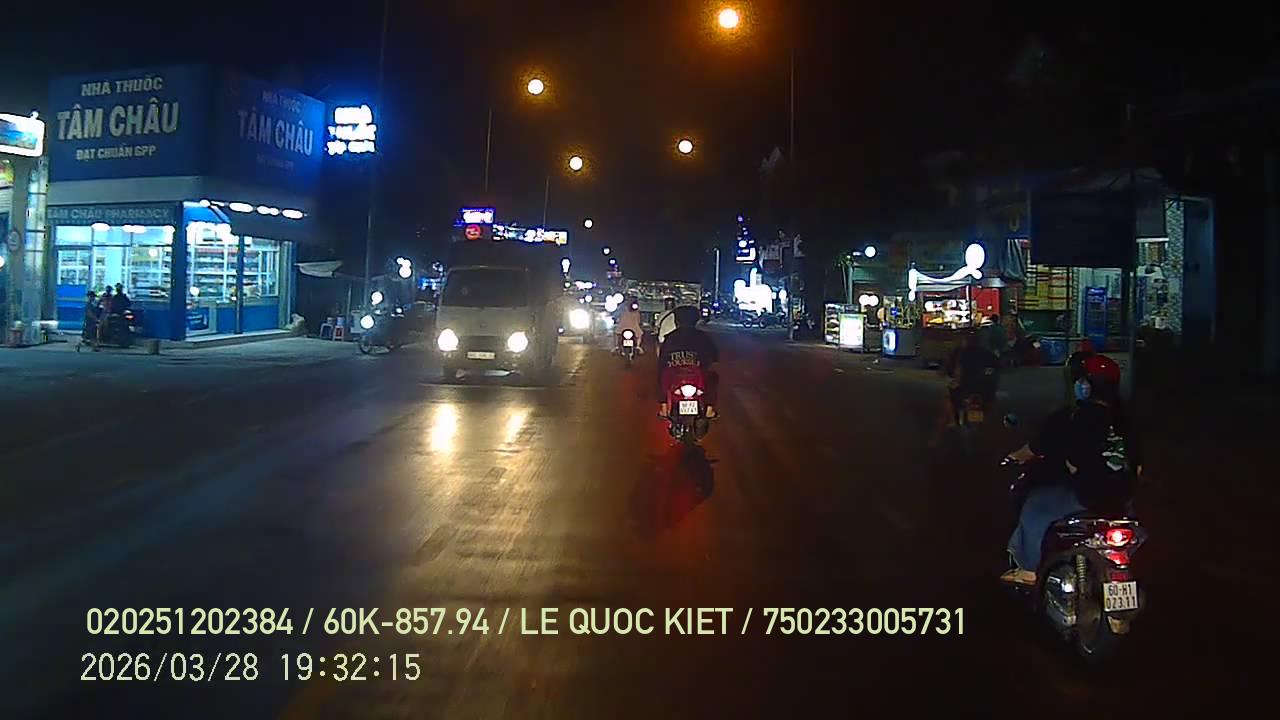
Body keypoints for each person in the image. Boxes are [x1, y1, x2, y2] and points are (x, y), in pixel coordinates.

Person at [1002, 354, 1142, 585]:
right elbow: (1138, 466)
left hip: (1086, 496)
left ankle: (1028, 570)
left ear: (1086, 385)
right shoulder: (1126, 419)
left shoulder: (1074, 416)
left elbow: (1041, 450)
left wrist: (1012, 458)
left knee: (1035, 506)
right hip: (1122, 499)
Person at [931, 329, 1000, 444]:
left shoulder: (960, 353)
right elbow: (997, 371)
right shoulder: (989, 354)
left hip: (966, 392)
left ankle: (947, 428)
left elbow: (950, 373)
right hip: (985, 394)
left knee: (947, 401)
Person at [657, 305, 720, 419]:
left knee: (661, 376)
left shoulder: (670, 337)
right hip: (698, 375)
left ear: (677, 321)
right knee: (713, 378)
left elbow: (662, 359)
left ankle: (664, 408)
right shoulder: (703, 337)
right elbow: (714, 356)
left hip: (675, 375)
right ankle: (709, 410)